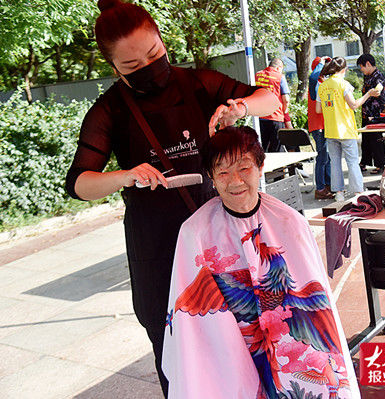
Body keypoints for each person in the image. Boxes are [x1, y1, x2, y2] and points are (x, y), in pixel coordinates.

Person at [64, 1, 278, 396]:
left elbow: (270, 101)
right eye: (132, 66)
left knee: (246, 335)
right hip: (158, 247)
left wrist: (241, 107)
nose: (148, 68)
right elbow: (79, 183)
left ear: (163, 41)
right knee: (178, 350)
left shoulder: (196, 83)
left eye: (154, 55)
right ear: (114, 68)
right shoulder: (109, 109)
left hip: (219, 234)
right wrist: (124, 176)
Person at [162, 126, 360, 398]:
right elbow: (188, 319)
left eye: (243, 168)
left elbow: (319, 300)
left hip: (288, 343)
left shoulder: (291, 222)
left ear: (260, 166)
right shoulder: (194, 233)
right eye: (222, 172)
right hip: (229, 347)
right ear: (211, 176)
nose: (234, 181)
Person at [316, 57, 380, 202]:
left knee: (335, 162)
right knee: (352, 161)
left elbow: (318, 109)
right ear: (344, 69)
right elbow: (354, 105)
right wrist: (368, 94)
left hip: (330, 130)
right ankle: (358, 191)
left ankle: (339, 193)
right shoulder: (344, 84)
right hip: (345, 129)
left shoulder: (323, 86)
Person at [357, 53, 385, 175]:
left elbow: (381, 92)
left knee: (376, 139)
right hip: (366, 112)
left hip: (375, 113)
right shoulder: (368, 77)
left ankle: (381, 164)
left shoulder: (378, 76)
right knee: (366, 139)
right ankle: (364, 162)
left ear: (368, 64)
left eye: (362, 66)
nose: (361, 69)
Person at [308, 56, 333, 199]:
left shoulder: (322, 82)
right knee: (322, 158)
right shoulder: (315, 82)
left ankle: (327, 184)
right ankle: (320, 188)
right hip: (318, 126)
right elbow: (312, 77)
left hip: (323, 125)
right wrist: (321, 63)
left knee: (327, 157)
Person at [255, 58, 291, 152]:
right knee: (277, 150)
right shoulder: (280, 77)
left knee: (262, 149)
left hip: (261, 117)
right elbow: (286, 99)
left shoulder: (258, 75)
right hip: (275, 117)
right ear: (279, 68)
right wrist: (285, 112)